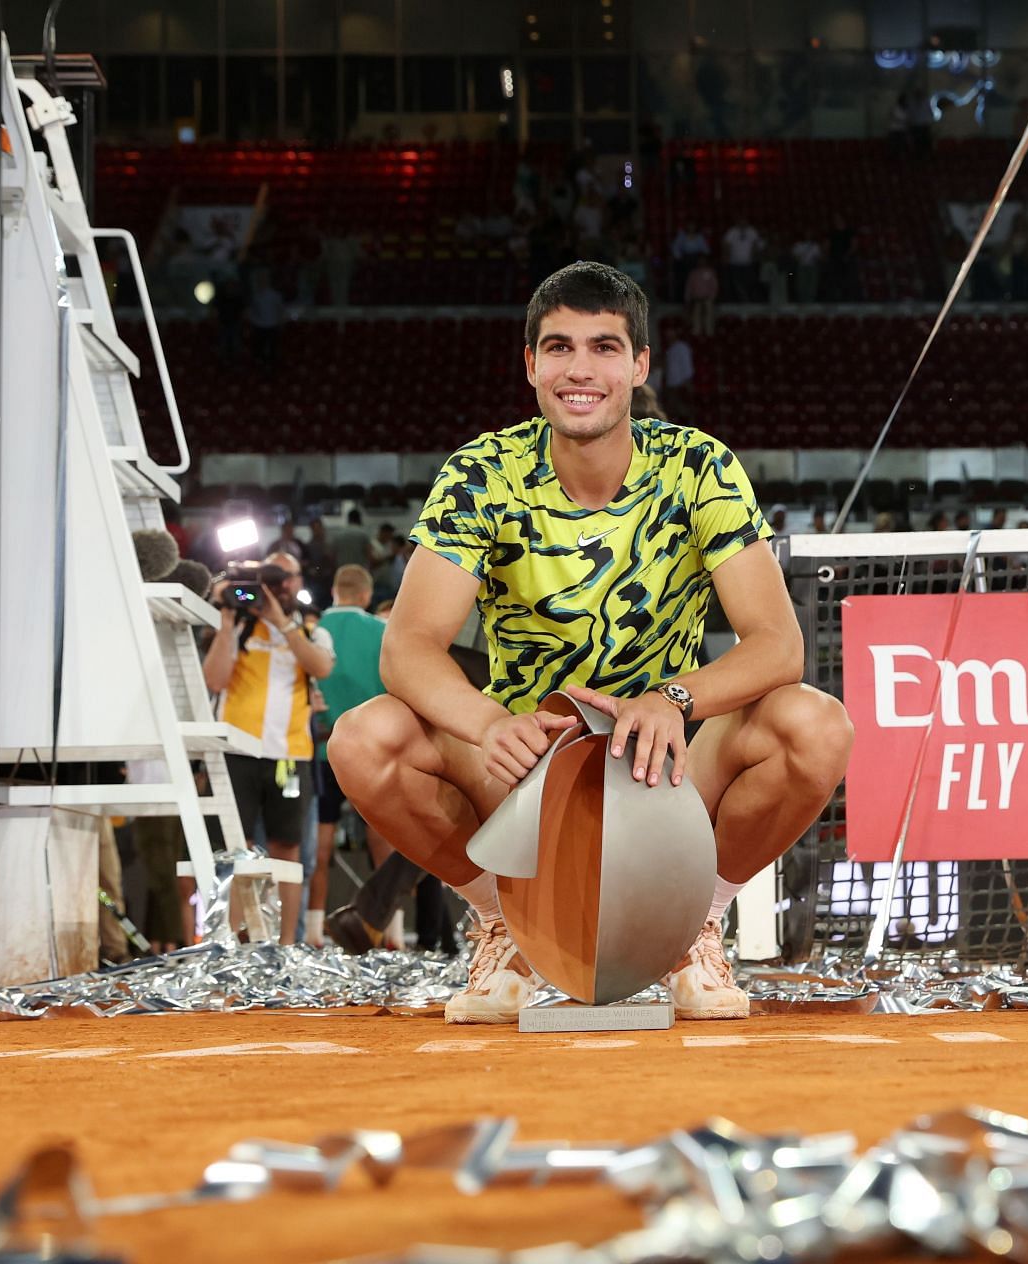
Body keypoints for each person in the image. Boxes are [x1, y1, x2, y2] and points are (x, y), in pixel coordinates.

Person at [328, 262, 854, 1024]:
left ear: (639, 365)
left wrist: (675, 698)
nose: (581, 368)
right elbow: (406, 648)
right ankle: (504, 917)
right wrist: (486, 722)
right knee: (363, 738)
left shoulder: (698, 466)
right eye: (560, 346)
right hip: (523, 777)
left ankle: (695, 923)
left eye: (605, 347)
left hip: (663, 774)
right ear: (531, 364)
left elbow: (778, 645)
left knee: (815, 723)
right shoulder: (482, 473)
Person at [203, 551, 336, 942]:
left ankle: (286, 945)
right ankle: (230, 944)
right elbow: (214, 680)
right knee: (235, 849)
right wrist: (227, 621)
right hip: (236, 750)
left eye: (286, 578)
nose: (279, 587)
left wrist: (281, 621)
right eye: (270, 579)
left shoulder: (312, 630)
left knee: (287, 850)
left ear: (298, 582)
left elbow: (322, 668)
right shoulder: (240, 625)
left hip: (288, 754)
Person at [310, 565, 396, 945]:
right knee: (384, 839)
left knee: (319, 845)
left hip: (319, 747)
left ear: (334, 590)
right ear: (365, 594)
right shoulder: (381, 631)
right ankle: (390, 933)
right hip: (370, 749)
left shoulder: (311, 631)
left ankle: (311, 933)